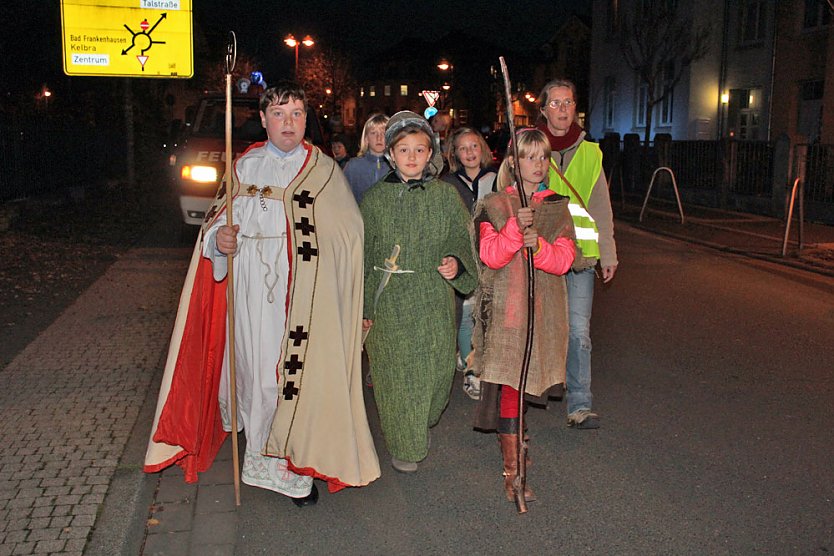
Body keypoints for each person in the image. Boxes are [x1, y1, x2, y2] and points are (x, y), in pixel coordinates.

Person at [144, 81, 380, 506]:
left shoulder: (322, 170)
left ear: (306, 120)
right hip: (247, 284)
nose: (287, 122)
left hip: (297, 293)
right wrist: (221, 241)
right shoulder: (245, 164)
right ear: (264, 120)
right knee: (252, 373)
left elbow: (349, 235)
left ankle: (291, 467)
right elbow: (218, 219)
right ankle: (259, 457)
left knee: (286, 376)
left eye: (296, 114)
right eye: (278, 113)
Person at [361, 111, 477, 474]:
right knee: (398, 378)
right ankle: (405, 445)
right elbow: (363, 257)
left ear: (431, 155)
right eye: (404, 149)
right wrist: (363, 307)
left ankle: (418, 419)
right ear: (391, 155)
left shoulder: (446, 198)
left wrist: (456, 265)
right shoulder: (375, 200)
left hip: (433, 299)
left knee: (439, 372)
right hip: (391, 301)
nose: (412, 157)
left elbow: (463, 241)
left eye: (420, 150)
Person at [471, 128, 575, 502]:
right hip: (509, 316)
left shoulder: (557, 206)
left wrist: (540, 245)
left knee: (532, 388)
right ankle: (513, 475)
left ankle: (520, 459)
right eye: (529, 157)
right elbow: (491, 255)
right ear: (513, 163)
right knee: (511, 393)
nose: (537, 164)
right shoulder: (496, 204)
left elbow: (565, 260)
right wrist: (516, 230)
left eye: (543, 157)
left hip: (543, 316)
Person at [537, 78, 618, 430]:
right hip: (541, 254)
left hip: (581, 257)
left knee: (579, 331)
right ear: (542, 110)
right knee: (540, 325)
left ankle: (580, 403)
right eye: (554, 103)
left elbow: (601, 206)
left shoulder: (590, 152)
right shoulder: (529, 146)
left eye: (567, 102)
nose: (562, 109)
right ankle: (531, 391)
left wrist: (609, 254)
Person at [442, 127, 497, 400]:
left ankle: (481, 361)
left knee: (486, 314)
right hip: (464, 255)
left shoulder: (497, 178)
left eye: (474, 146)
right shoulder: (449, 183)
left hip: (492, 255)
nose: (469, 152)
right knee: (466, 312)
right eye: (463, 148)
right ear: (455, 154)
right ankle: (472, 372)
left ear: (482, 148)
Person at [343, 113, 391, 204]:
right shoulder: (353, 166)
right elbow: (343, 197)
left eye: (383, 133)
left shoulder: (396, 167)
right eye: (373, 133)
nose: (379, 138)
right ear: (366, 139)